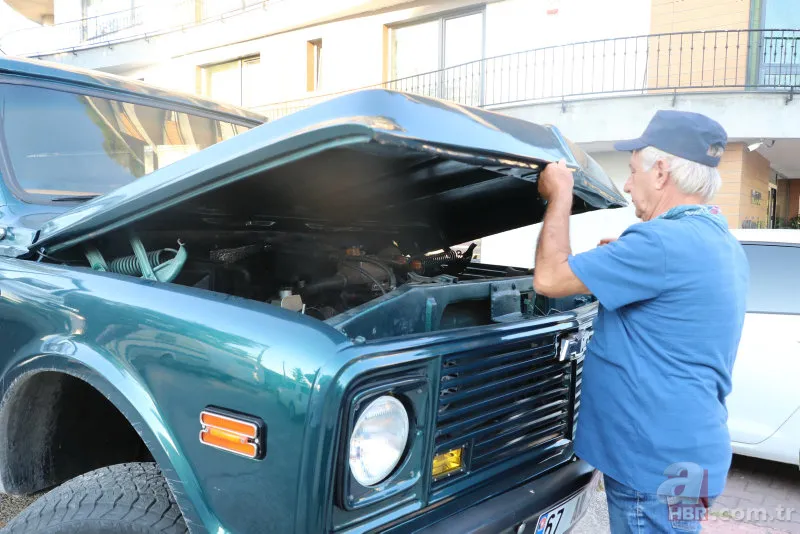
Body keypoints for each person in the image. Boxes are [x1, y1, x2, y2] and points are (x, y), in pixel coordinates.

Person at [533, 110, 749, 533]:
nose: (628, 184)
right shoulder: (719, 241)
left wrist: (559, 196)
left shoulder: (660, 244)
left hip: (651, 464)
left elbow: (548, 278)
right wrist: (628, 260)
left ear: (662, 172)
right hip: (691, 454)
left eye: (632, 172)